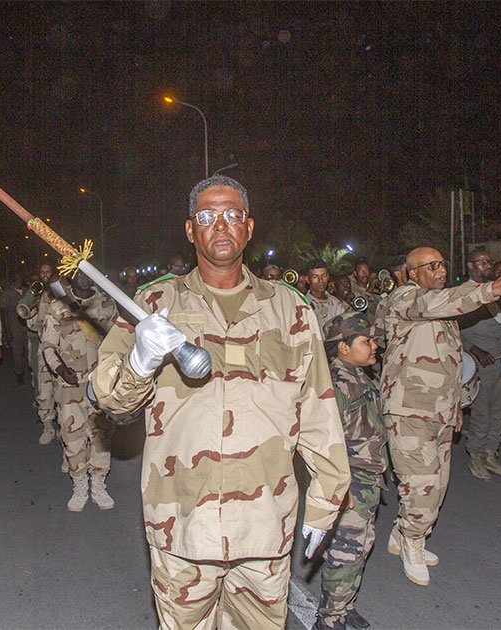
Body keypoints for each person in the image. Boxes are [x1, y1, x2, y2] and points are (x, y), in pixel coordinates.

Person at [89, 175, 350, 629]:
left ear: (249, 227)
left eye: (233, 214)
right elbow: (111, 399)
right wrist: (139, 360)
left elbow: (318, 410)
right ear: (191, 231)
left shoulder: (292, 309)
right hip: (182, 524)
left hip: (264, 523)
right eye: (208, 216)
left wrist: (328, 499)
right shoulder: (154, 304)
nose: (221, 224)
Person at [379, 246, 501, 586]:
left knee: (436, 485)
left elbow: (450, 363)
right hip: (409, 410)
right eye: (431, 266)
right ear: (412, 273)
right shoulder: (404, 298)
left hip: (439, 410)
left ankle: (403, 533)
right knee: (421, 486)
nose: (440, 270)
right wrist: (491, 289)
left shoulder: (443, 307)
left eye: (442, 264)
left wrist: (456, 406)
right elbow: (439, 303)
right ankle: (413, 543)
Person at [314, 314, 388, 630]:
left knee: (361, 547)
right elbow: (326, 442)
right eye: (366, 341)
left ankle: (344, 606)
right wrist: (340, 487)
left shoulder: (360, 376)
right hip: (351, 479)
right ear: (343, 347)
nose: (374, 346)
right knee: (344, 553)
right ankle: (329, 620)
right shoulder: (337, 385)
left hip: (369, 478)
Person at [40, 270, 119, 510]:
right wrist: (60, 369)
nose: (84, 277)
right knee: (72, 437)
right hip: (69, 385)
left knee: (101, 435)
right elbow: (48, 346)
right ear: (70, 277)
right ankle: (79, 485)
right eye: (78, 273)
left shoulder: (106, 304)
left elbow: (120, 341)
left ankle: (99, 483)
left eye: (87, 272)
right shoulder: (58, 307)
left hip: (100, 384)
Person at [455, 249, 501, 480]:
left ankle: (491, 453)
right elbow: (453, 333)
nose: (487, 266)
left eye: (488, 262)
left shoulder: (494, 292)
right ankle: (476, 456)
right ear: (470, 266)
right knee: (482, 413)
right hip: (480, 361)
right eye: (482, 262)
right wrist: (474, 350)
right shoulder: (463, 294)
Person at [20, 263, 60, 445]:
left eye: (48, 272)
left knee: (63, 391)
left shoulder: (65, 294)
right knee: (44, 390)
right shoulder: (40, 294)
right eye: (42, 272)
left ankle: (64, 426)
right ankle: (48, 426)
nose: (45, 275)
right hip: (45, 348)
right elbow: (31, 321)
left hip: (64, 352)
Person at [0, 272, 30, 384]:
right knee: (17, 353)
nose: (19, 279)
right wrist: (7, 331)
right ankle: (19, 374)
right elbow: (4, 313)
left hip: (28, 327)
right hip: (14, 327)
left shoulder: (27, 291)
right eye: (17, 277)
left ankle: (31, 372)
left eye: (20, 277)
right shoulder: (7, 293)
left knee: (30, 352)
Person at [306, 260, 347, 330]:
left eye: (324, 276)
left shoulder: (335, 303)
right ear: (307, 279)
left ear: (328, 276)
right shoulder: (303, 304)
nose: (320, 280)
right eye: (315, 277)